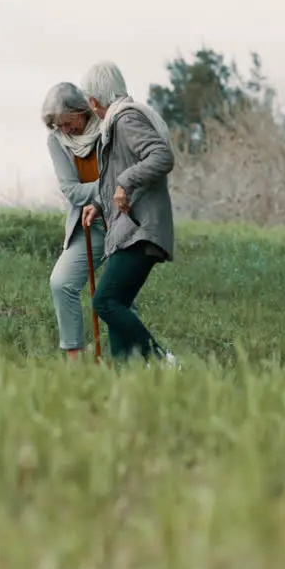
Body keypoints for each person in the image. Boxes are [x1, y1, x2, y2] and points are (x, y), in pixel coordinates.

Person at [78, 60, 178, 366]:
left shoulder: (125, 121)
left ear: (94, 101)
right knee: (116, 303)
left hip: (140, 229)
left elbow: (161, 156)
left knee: (105, 301)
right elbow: (120, 176)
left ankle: (162, 360)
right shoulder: (120, 122)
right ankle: (122, 382)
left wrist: (124, 182)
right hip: (132, 228)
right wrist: (98, 205)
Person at [41, 81, 112, 361]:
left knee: (119, 297)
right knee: (62, 283)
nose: (66, 130)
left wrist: (109, 189)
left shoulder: (109, 127)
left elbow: (127, 177)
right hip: (87, 224)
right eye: (59, 125)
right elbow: (71, 190)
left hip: (123, 221)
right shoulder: (57, 141)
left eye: (69, 123)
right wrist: (108, 187)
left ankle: (132, 360)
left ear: (82, 111)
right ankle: (75, 360)